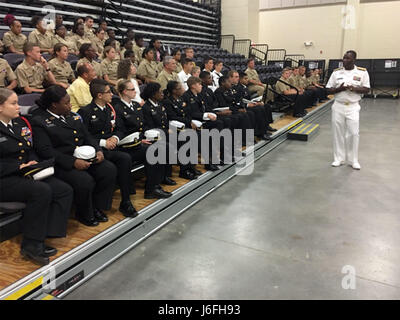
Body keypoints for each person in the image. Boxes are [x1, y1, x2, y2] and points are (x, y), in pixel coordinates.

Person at [0, 88, 73, 265]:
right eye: (14, 103)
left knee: (63, 190)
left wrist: (32, 162)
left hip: (24, 172)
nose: (19, 107)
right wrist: (19, 166)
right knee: (41, 191)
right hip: (4, 179)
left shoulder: (20, 123)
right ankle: (31, 245)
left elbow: (30, 149)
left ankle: (46, 233)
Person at [31, 85, 117, 226]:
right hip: (61, 162)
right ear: (54, 105)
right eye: (66, 103)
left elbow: (87, 136)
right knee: (84, 180)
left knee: (108, 169)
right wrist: (72, 162)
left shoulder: (72, 116)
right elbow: (45, 150)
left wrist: (98, 150)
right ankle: (84, 213)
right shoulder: (39, 120)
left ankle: (97, 206)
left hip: (84, 156)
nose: (70, 105)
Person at [78, 79, 138, 217]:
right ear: (99, 95)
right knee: (121, 160)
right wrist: (104, 143)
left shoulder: (110, 109)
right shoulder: (85, 111)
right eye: (108, 92)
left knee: (126, 158)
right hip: (98, 149)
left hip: (113, 146)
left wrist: (115, 138)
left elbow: (119, 128)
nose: (112, 94)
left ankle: (126, 200)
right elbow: (85, 136)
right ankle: (100, 206)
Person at [113, 79, 172, 199]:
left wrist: (144, 137)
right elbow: (120, 131)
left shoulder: (135, 105)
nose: (135, 91)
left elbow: (142, 125)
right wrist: (140, 140)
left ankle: (156, 183)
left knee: (164, 146)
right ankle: (150, 190)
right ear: (124, 91)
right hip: (127, 146)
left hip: (139, 142)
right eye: (132, 89)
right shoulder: (118, 108)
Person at [326, 50, 370, 170]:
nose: (344, 60)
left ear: (354, 60)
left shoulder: (362, 72)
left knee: (354, 133)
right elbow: (328, 89)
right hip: (338, 105)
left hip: (353, 106)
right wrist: (339, 89)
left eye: (347, 58)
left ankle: (353, 160)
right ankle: (338, 158)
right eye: (344, 58)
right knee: (337, 132)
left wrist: (354, 88)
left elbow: (367, 89)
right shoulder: (336, 73)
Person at [141, 82, 179, 186]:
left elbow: (164, 122)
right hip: (153, 135)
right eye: (160, 92)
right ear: (153, 94)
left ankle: (167, 174)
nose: (162, 94)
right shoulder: (146, 108)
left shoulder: (160, 105)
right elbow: (148, 127)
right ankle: (162, 176)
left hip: (164, 132)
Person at [182, 76, 224, 168]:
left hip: (204, 121)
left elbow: (206, 107)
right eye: (199, 84)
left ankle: (219, 156)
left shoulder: (200, 94)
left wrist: (212, 113)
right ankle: (208, 162)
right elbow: (190, 113)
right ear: (193, 86)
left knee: (220, 123)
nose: (201, 86)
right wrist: (205, 115)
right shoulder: (186, 96)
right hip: (195, 123)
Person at [163, 80, 201, 179]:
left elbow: (187, 113)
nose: (183, 89)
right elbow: (172, 117)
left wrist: (190, 122)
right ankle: (184, 170)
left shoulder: (181, 100)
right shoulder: (167, 102)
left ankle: (191, 167)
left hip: (184, 126)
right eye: (180, 88)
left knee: (198, 135)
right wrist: (188, 122)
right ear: (174, 91)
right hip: (174, 129)